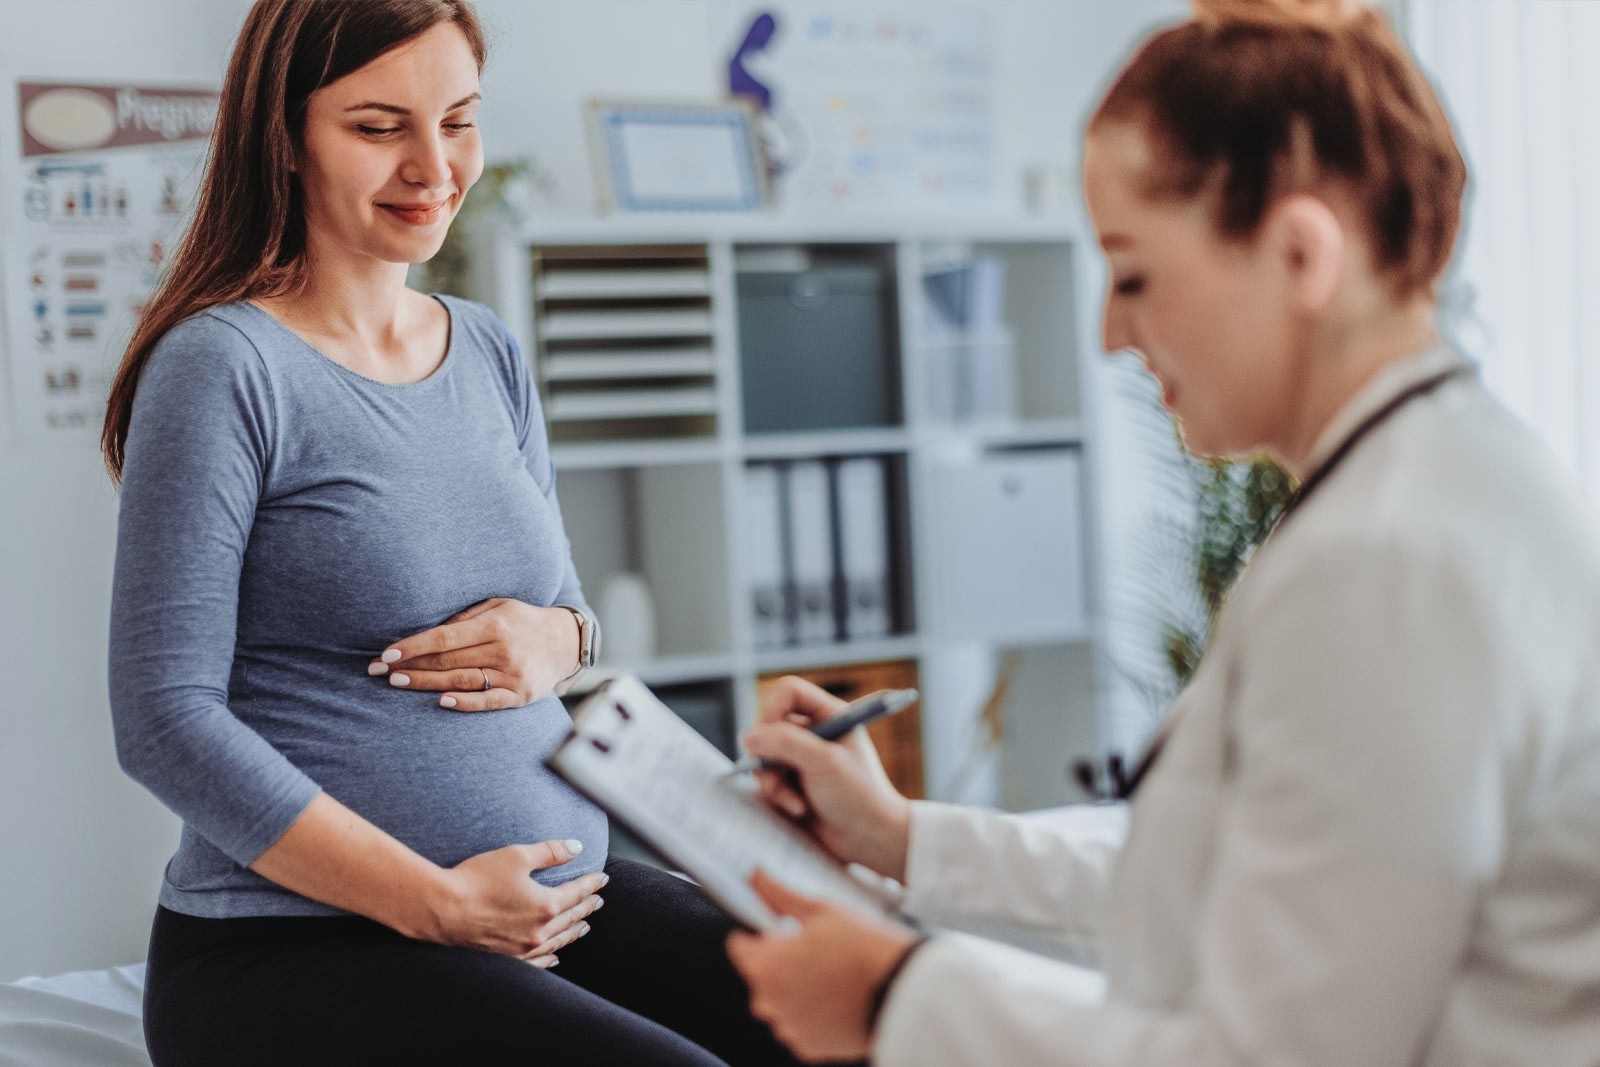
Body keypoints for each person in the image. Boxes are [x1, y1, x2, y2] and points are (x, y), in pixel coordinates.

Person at [724, 0, 1600, 1064]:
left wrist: (899, 1000)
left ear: (1297, 252)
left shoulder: (1389, 560)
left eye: (1133, 274)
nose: (1108, 333)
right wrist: (902, 838)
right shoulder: (1437, 480)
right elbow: (1235, 890)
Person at [103, 3, 797, 1065]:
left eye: (459, 121)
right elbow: (163, 719)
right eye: (380, 128)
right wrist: (433, 901)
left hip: (549, 911)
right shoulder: (224, 368)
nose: (434, 166)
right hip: (296, 944)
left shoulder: (486, 350)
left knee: (854, 1009)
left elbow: (562, 612)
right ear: (283, 137)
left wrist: (567, 638)